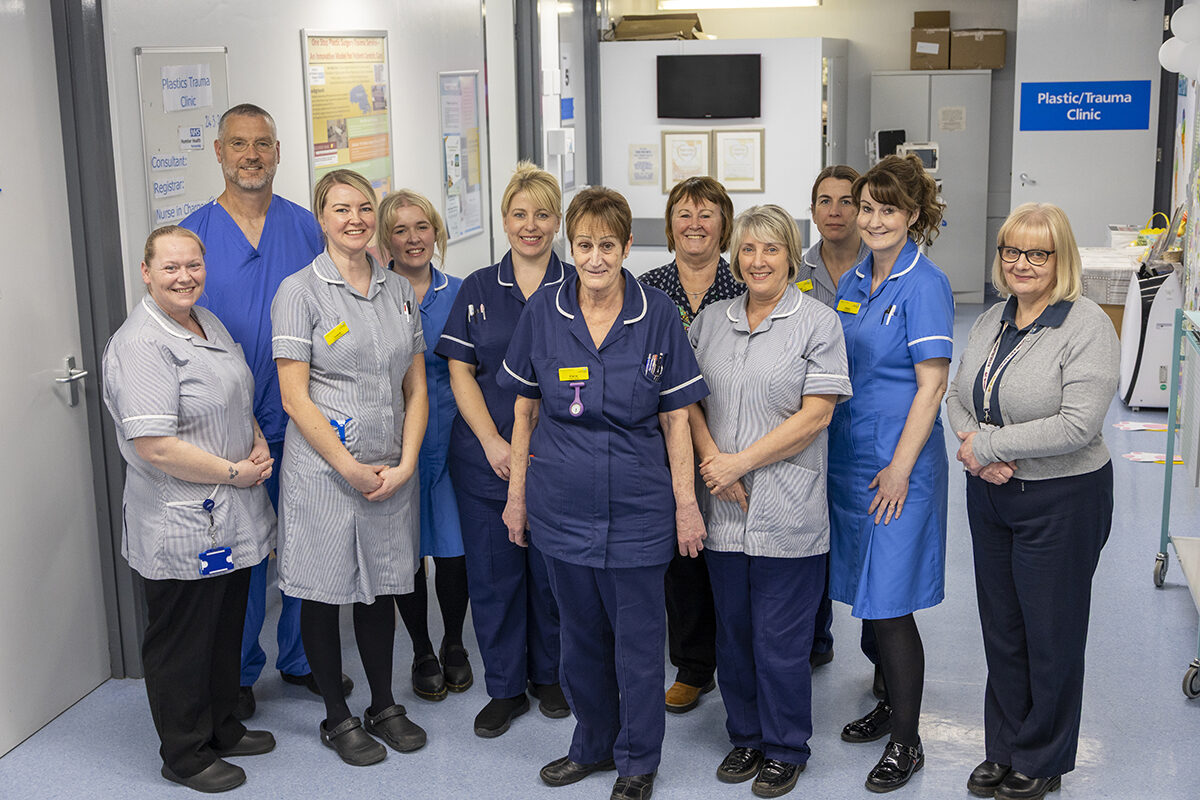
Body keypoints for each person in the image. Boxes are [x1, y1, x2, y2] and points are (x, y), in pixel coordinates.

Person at [500, 186, 710, 800]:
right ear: (572, 245)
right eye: (585, 246)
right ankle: (591, 745)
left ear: (626, 246)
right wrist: (517, 498)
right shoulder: (545, 311)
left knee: (640, 646)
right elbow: (523, 411)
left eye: (608, 246)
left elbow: (677, 418)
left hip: (639, 510)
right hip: (561, 506)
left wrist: (687, 505)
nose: (595, 259)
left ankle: (637, 759)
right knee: (580, 638)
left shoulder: (656, 315)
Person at [182, 103, 351, 719]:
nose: (251, 155)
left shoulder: (308, 227)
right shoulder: (194, 233)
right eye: (238, 144)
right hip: (227, 426)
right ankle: (241, 670)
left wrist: (330, 351)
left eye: (262, 144)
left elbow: (338, 311)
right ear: (220, 153)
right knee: (246, 550)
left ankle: (302, 658)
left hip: (306, 417)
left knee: (307, 541)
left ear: (278, 152)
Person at [946, 203, 1118, 800]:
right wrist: (978, 452)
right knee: (1003, 629)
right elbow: (956, 396)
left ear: (1060, 259)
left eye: (1037, 253)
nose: (1022, 264)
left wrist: (988, 443)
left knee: (1051, 633)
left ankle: (1043, 758)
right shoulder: (994, 318)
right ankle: (1005, 747)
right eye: (1011, 251)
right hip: (991, 495)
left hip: (1062, 499)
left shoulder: (1087, 325)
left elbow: (1078, 424)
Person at [101, 226, 277, 793]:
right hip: (181, 518)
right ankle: (184, 753)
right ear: (147, 273)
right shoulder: (141, 344)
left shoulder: (205, 321)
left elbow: (232, 394)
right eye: (171, 268)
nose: (184, 277)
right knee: (183, 638)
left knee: (224, 627)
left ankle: (222, 725)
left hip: (230, 508)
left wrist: (254, 438)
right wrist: (234, 472)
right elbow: (154, 445)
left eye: (193, 266)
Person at [688, 205, 851, 798]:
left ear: (790, 257)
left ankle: (785, 747)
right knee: (732, 634)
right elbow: (689, 403)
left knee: (780, 640)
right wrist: (714, 463)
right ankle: (747, 737)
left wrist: (741, 463)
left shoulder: (818, 322)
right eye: (749, 250)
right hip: (724, 506)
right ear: (737, 256)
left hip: (788, 507)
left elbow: (816, 415)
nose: (758, 261)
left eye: (772, 250)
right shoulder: (710, 321)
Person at [271, 169, 428, 766]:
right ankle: (336, 716)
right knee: (323, 590)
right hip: (323, 473)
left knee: (382, 586)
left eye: (365, 207)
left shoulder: (397, 290)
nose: (355, 219)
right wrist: (347, 467)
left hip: (389, 466)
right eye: (342, 209)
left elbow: (416, 388)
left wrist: (407, 461)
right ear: (321, 218)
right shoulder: (299, 292)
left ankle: (383, 703)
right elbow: (294, 396)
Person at [827, 154, 953, 793]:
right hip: (850, 461)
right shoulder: (853, 281)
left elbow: (931, 387)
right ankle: (888, 703)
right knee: (867, 598)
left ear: (913, 216)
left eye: (888, 209)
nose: (873, 220)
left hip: (899, 466)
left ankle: (909, 740)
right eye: (866, 208)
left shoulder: (923, 284)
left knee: (892, 603)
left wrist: (900, 470)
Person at [435, 162, 568, 737]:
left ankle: (553, 678)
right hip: (486, 460)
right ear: (504, 220)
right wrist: (491, 442)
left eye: (542, 214)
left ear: (558, 222)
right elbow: (462, 371)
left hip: (558, 459)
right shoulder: (479, 288)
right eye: (520, 214)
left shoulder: (581, 283)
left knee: (554, 577)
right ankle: (506, 688)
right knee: (494, 577)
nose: (530, 226)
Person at [638, 175, 741, 715]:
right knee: (684, 556)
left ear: (724, 226)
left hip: (737, 439)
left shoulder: (745, 285)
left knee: (735, 556)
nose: (695, 224)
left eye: (707, 214)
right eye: (684, 213)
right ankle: (694, 667)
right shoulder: (647, 290)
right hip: (666, 445)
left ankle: (741, 661)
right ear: (669, 224)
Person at [377, 189, 471, 700]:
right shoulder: (373, 295)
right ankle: (421, 649)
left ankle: (454, 642)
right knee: (406, 553)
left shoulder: (460, 293)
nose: (413, 239)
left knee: (454, 552)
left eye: (422, 227)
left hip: (453, 441)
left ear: (437, 232)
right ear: (385, 239)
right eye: (400, 229)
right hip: (396, 444)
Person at [801, 165, 882, 683]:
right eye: (825, 201)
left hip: (864, 424)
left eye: (847, 201)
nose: (835, 211)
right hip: (808, 423)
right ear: (812, 210)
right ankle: (813, 636)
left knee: (872, 543)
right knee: (808, 531)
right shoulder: (796, 268)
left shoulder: (883, 268)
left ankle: (882, 654)